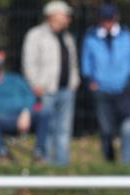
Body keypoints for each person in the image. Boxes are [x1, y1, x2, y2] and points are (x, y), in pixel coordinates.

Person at [21, 0, 79, 167]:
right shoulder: (36, 35)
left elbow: (73, 62)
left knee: (64, 129)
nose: (68, 18)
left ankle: (62, 166)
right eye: (65, 14)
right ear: (52, 15)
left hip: (66, 90)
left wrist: (74, 81)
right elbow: (29, 62)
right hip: (46, 90)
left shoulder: (67, 37)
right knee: (47, 128)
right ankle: (45, 164)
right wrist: (35, 84)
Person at [81, 3, 130, 162]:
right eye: (104, 19)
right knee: (106, 128)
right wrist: (91, 81)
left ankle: (127, 159)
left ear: (115, 18)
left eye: (110, 19)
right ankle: (109, 160)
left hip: (124, 88)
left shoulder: (126, 36)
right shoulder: (91, 37)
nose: (107, 23)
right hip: (102, 88)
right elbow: (86, 62)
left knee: (126, 126)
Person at [0, 51, 48, 160]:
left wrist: (26, 111)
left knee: (44, 113)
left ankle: (40, 152)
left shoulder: (15, 80)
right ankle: (0, 152)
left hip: (22, 118)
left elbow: (30, 96)